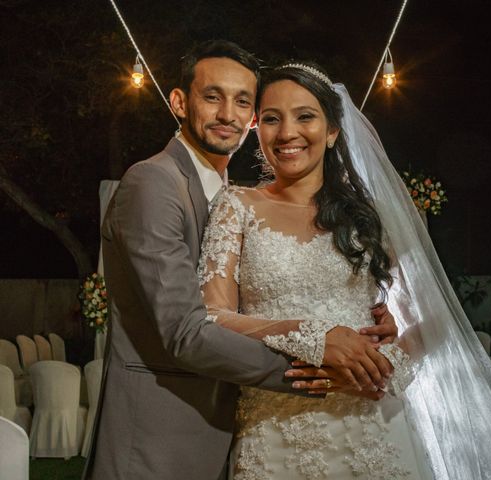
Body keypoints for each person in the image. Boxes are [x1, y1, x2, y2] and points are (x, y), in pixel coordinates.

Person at [198, 62, 491, 479]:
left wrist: (380, 367)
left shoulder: (369, 216)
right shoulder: (236, 208)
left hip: (373, 424)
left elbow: (433, 320)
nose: (287, 133)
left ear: (333, 130)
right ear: (255, 128)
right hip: (274, 426)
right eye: (271, 118)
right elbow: (212, 317)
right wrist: (315, 337)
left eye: (305, 116)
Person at [83, 41, 393, 480]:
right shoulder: (154, 183)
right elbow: (186, 332)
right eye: (212, 96)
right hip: (160, 439)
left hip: (235, 431)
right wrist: (315, 362)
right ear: (178, 102)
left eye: (242, 102)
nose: (227, 113)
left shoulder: (231, 195)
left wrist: (375, 316)